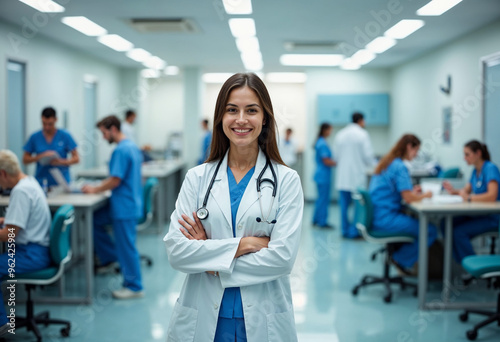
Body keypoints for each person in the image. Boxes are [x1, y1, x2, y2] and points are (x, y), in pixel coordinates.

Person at [164, 73, 304, 342]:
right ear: (220, 118)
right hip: (203, 318)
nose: (241, 119)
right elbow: (177, 252)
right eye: (231, 110)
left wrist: (211, 261)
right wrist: (245, 244)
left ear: (265, 118)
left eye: (251, 110)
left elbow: (282, 259)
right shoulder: (197, 178)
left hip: (264, 317)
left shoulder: (286, 180)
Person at [82, 115, 144, 299]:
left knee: (127, 247)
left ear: (113, 130)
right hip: (128, 202)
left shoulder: (121, 150)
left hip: (124, 207)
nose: (103, 137)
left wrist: (95, 189)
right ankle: (110, 257)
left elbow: (115, 180)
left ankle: (134, 287)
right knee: (94, 219)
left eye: (104, 133)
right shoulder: (131, 146)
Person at [369, 134, 437, 275]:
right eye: (416, 150)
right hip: (386, 219)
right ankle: (400, 259)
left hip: (377, 215)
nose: (416, 155)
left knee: (421, 226)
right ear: (408, 147)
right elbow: (408, 198)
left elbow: (399, 192)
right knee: (430, 230)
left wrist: (412, 191)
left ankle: (402, 258)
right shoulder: (400, 166)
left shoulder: (388, 162)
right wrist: (426, 195)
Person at [0, 150, 51, 336]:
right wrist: (4, 221)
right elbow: (20, 221)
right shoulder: (30, 182)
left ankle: (2, 325)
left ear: (3, 173)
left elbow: (10, 235)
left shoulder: (20, 192)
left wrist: (5, 228)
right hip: (38, 250)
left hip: (31, 255)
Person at [443, 140, 500, 263]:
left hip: (492, 217)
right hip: (479, 214)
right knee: (445, 223)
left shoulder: (490, 168)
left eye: (467, 154)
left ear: (478, 153)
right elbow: (466, 190)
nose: (465, 158)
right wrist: (453, 191)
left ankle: (473, 268)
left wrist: (469, 198)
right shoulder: (475, 171)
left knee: (459, 232)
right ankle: (458, 264)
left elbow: (492, 196)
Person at [334, 112, 376, 238]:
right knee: (358, 206)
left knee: (344, 206)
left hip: (343, 176)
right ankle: (354, 232)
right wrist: (376, 165)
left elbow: (335, 156)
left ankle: (344, 231)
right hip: (356, 176)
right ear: (361, 121)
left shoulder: (340, 134)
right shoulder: (362, 134)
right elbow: (368, 156)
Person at [23, 106, 79, 187]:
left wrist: (60, 162)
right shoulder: (34, 137)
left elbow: (76, 159)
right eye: (44, 123)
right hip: (41, 182)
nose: (47, 127)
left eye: (50, 124)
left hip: (62, 183)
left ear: (56, 120)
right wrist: (41, 156)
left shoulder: (65, 136)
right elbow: (25, 160)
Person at [313, 123, 336, 229]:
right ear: (325, 130)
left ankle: (316, 220)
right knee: (323, 199)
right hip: (323, 176)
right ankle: (322, 222)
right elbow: (326, 160)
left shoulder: (320, 141)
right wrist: (337, 163)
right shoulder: (322, 143)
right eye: (330, 130)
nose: (330, 132)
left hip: (321, 175)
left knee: (320, 199)